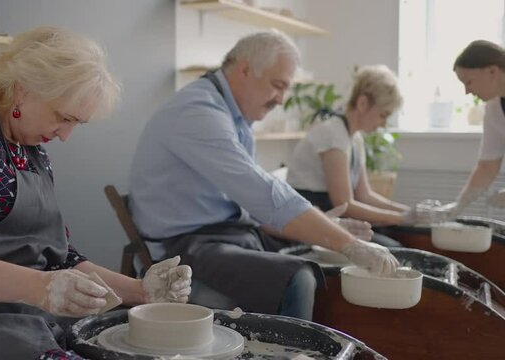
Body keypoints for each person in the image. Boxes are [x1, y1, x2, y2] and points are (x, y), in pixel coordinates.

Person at [0, 27, 192, 360]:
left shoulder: (32, 149)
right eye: (63, 117)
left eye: (76, 124)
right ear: (23, 90)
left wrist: (142, 292)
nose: (66, 135)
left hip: (21, 317)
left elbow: (60, 257)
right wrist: (40, 288)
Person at [128, 31, 399, 321]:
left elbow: (257, 210)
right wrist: (347, 243)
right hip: (184, 246)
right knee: (298, 276)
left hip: (229, 235)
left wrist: (325, 228)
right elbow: (262, 193)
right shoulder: (198, 112)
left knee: (326, 261)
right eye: (277, 85)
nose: (281, 100)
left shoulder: (236, 117)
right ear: (245, 69)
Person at [286, 65, 413, 247]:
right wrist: (401, 218)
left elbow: (365, 195)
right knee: (394, 247)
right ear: (362, 103)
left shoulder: (355, 138)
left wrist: (407, 212)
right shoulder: (332, 134)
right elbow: (344, 203)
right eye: (382, 115)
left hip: (333, 216)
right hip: (315, 219)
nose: (383, 123)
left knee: (397, 235)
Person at [423, 40, 505, 222]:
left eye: (469, 82)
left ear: (492, 71)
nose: (467, 91)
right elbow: (487, 166)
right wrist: (457, 206)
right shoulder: (494, 109)